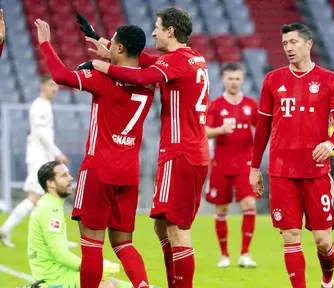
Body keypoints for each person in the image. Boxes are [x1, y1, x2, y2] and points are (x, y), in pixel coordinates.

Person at [80, 7, 209, 288]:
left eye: (157, 27)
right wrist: (107, 44)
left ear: (170, 31)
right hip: (191, 153)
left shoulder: (175, 61)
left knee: (177, 231)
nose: (153, 33)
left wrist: (104, 66)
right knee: (162, 225)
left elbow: (141, 76)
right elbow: (145, 61)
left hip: (180, 153)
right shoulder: (192, 59)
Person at [35, 19, 153, 288]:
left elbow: (61, 76)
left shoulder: (102, 78)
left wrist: (45, 41)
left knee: (91, 246)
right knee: (124, 244)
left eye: (113, 43)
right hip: (129, 173)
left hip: (99, 170)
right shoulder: (149, 82)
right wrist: (104, 44)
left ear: (120, 48)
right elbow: (134, 64)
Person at [249, 23, 334, 288]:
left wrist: (330, 143)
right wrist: (254, 167)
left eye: (293, 42)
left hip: (316, 171)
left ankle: (327, 280)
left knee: (322, 241)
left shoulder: (330, 79)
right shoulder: (272, 79)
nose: (288, 48)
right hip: (282, 172)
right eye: (284, 44)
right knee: (290, 236)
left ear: (308, 44)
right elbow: (262, 128)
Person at [27, 160, 134, 288]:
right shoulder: (50, 210)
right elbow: (60, 254)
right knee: (105, 285)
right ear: (50, 183)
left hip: (60, 273)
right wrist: (91, 268)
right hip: (54, 279)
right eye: (63, 176)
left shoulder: (50, 205)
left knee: (116, 283)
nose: (70, 178)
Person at [0, 75, 68, 248]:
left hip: (42, 158)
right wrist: (57, 153)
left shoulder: (45, 106)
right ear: (42, 86)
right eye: (50, 84)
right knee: (36, 198)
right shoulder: (39, 106)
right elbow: (41, 134)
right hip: (38, 159)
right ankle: (6, 229)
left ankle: (51, 239)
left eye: (56, 85)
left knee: (45, 199)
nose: (55, 88)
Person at [205, 63, 258, 268]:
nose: (234, 82)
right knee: (221, 209)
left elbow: (261, 128)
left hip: (245, 163)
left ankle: (245, 254)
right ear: (223, 79)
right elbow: (204, 131)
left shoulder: (251, 104)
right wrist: (220, 129)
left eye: (237, 78)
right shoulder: (216, 105)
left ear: (242, 80)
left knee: (249, 204)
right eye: (230, 78)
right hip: (221, 163)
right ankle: (224, 255)